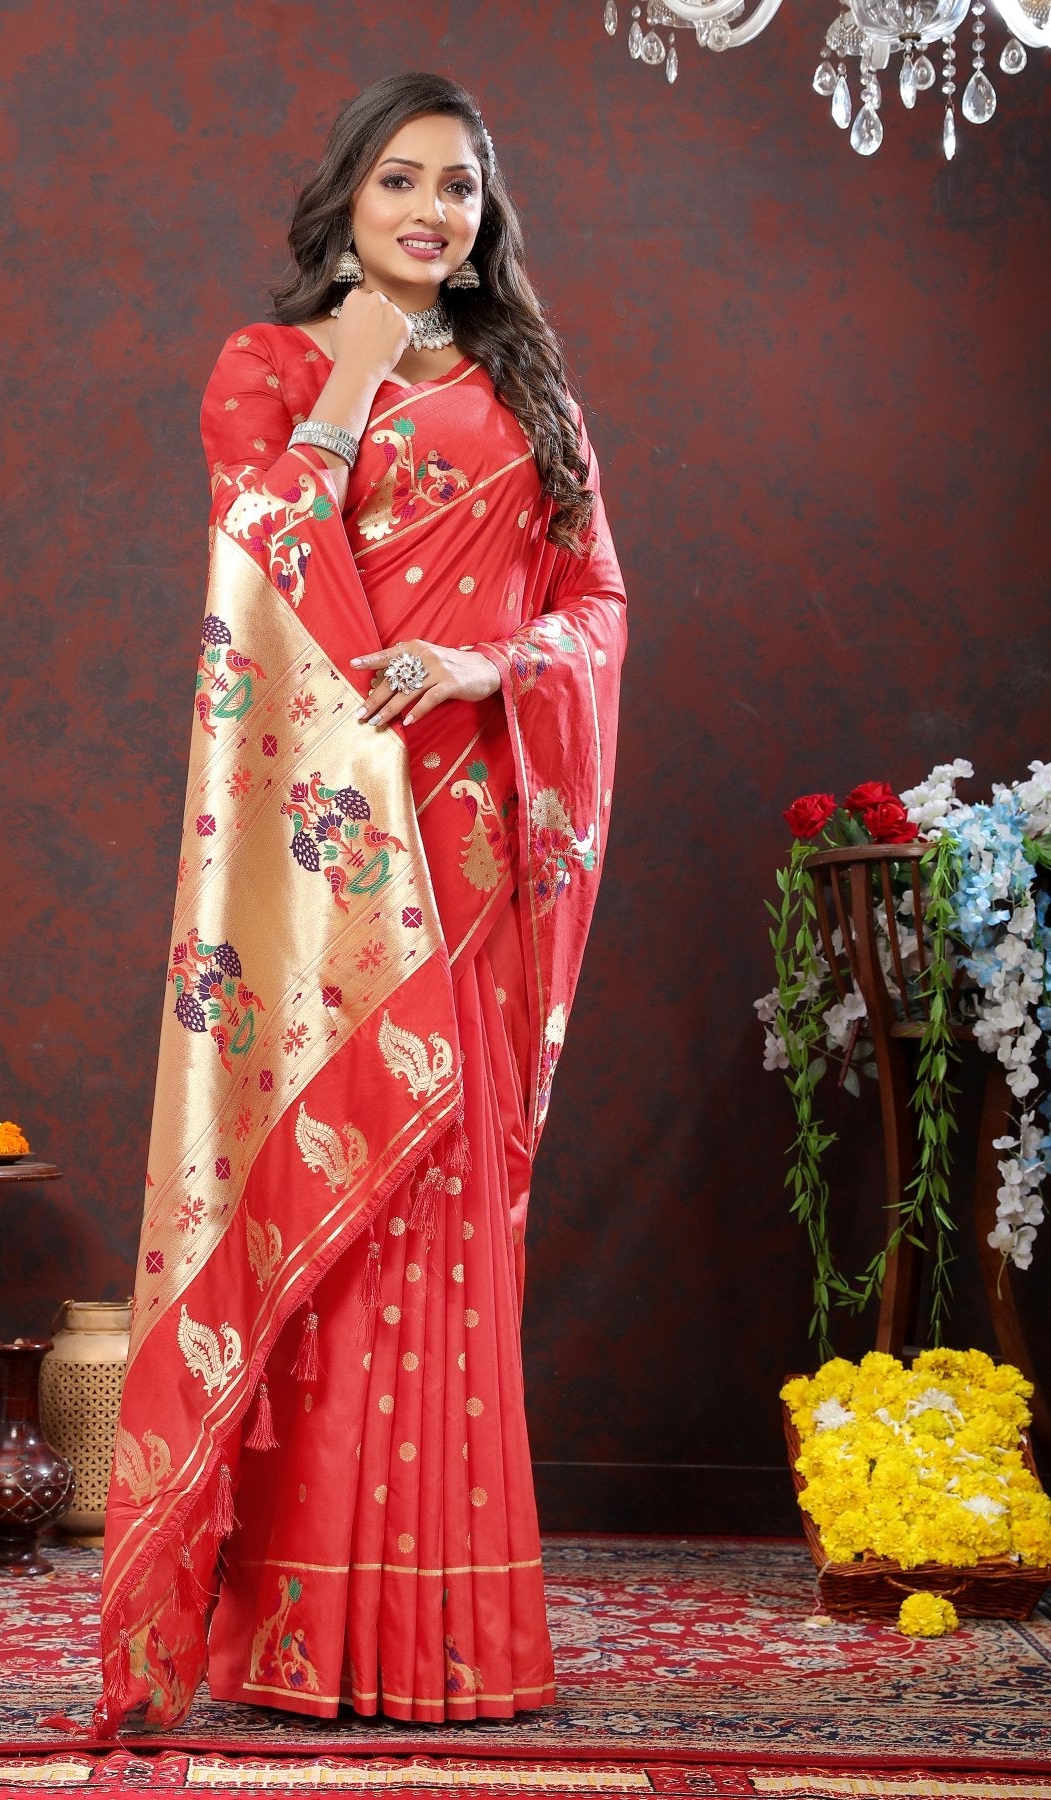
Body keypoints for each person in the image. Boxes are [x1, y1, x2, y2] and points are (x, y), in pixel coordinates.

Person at [96, 70, 627, 1735]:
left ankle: (450, 1643)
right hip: (337, 879)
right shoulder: (264, 370)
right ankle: (299, 1645)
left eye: (458, 190)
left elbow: (596, 604)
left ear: (487, 217)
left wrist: (489, 658)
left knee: (449, 1232)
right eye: (400, 182)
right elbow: (260, 562)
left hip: (473, 850)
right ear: (344, 198)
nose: (430, 213)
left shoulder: (531, 386)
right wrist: (349, 382)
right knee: (330, 1229)